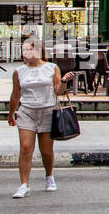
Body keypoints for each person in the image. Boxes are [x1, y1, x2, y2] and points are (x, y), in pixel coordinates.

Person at [7, 34, 73, 199]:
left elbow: (58, 92)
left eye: (26, 50)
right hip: (27, 112)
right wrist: (11, 114)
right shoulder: (19, 71)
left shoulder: (52, 68)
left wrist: (64, 81)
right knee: (25, 148)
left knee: (46, 151)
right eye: (22, 50)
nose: (23, 54)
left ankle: (49, 177)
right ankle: (24, 185)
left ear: (36, 51)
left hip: (47, 111)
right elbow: (15, 94)